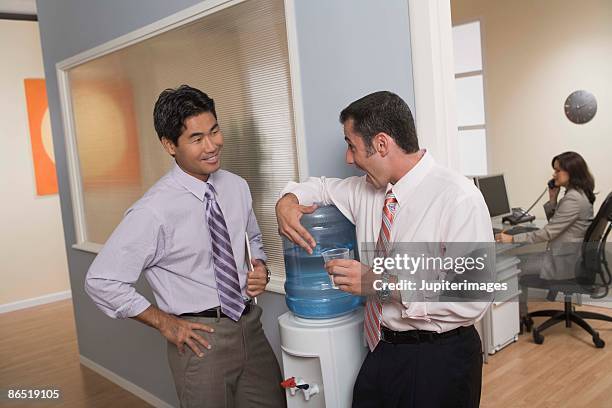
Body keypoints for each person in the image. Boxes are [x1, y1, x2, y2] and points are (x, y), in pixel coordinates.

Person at [276, 91, 493, 408]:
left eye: (351, 146)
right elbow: (318, 187)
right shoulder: (365, 190)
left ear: (381, 144)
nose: (348, 159)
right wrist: (288, 200)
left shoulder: (458, 197)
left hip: (440, 356)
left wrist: (380, 284)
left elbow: (472, 294)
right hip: (383, 348)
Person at [85, 85, 286, 408]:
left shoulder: (236, 187)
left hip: (251, 327)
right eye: (196, 139)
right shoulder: (153, 211)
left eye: (214, 131)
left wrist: (260, 266)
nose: (212, 146)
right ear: (169, 145)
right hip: (200, 341)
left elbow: (254, 242)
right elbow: (101, 281)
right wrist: (166, 323)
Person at [495, 151, 595, 319]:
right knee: (519, 261)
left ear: (571, 172)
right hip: (572, 256)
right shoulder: (579, 193)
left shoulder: (573, 198)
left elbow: (548, 232)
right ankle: (519, 316)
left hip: (564, 261)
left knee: (515, 266)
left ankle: (519, 318)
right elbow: (557, 224)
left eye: (557, 170)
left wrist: (512, 238)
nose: (554, 174)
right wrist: (553, 199)